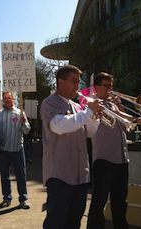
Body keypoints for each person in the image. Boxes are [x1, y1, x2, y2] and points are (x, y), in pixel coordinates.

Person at [87, 72, 141, 229]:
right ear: (97, 87)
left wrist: (120, 106)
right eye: (106, 86)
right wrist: (139, 119)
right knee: (99, 202)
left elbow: (125, 126)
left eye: (111, 86)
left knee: (120, 202)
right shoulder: (93, 104)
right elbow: (120, 117)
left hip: (121, 159)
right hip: (104, 159)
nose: (109, 89)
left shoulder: (113, 105)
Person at [40, 65, 102, 229]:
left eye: (78, 82)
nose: (77, 86)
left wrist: (95, 117)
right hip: (60, 174)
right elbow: (59, 126)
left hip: (80, 174)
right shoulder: (49, 103)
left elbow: (89, 132)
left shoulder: (77, 107)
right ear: (60, 82)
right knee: (56, 222)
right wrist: (88, 113)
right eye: (73, 81)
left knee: (74, 222)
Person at [0, 92, 31, 209]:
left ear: (13, 99)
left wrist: (24, 124)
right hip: (4, 150)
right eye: (5, 98)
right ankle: (7, 198)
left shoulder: (19, 113)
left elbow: (26, 131)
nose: (7, 100)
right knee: (5, 176)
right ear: (2, 100)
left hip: (17, 149)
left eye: (9, 98)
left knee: (21, 175)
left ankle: (23, 199)